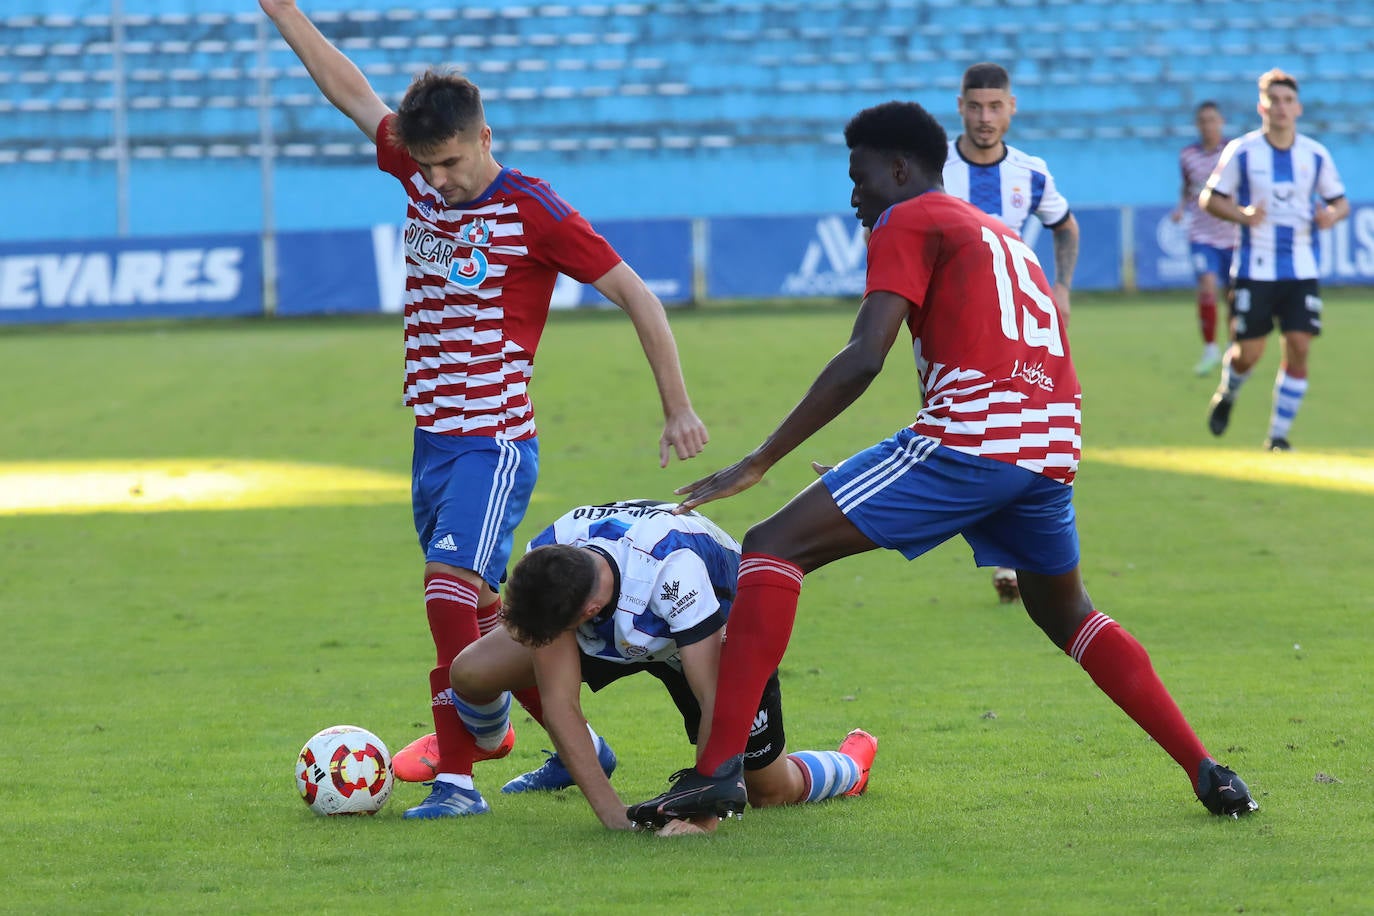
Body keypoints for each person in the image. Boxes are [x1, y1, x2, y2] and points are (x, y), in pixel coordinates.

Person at [627, 100, 1258, 832]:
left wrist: (760, 459)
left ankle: (716, 774)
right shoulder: (998, 235)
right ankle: (1207, 769)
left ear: (900, 170)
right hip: (1051, 442)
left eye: (859, 176)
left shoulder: (908, 218)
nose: (854, 195)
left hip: (972, 438)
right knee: (1067, 612)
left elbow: (865, 356)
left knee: (772, 546)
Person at [258, 0, 710, 819]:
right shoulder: (419, 171)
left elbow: (637, 294)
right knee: (490, 617)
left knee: (443, 590)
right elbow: (350, 91)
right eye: (425, 166)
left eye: (453, 164)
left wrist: (678, 406)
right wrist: (284, 12)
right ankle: (585, 752)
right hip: (432, 437)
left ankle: (460, 777)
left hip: (492, 439)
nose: (438, 181)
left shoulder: (535, 210)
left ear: (487, 137)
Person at [444, 499, 878, 831]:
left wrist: (701, 815)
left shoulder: (674, 573)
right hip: (617, 629)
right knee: (471, 673)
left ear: (589, 611)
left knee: (772, 790)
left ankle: (851, 765)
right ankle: (501, 741)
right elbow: (561, 703)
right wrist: (617, 819)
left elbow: (716, 701)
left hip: (708, 635)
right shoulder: (552, 556)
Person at [942, 62, 1080, 604]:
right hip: (953, 328)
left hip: (1022, 329)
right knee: (971, 437)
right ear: (960, 107)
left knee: (1019, 435)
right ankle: (1007, 555)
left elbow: (1064, 226)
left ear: (1011, 107)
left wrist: (1062, 287)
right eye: (975, 106)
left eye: (995, 106)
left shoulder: (1031, 172)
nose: (985, 118)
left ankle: (1011, 561)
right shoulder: (937, 171)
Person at [1201, 69, 1348, 451]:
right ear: (1261, 106)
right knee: (1249, 354)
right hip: (1255, 268)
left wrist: (1330, 216)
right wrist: (1243, 215)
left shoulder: (1314, 155)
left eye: (1287, 101)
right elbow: (1210, 198)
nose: (1281, 108)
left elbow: (1340, 201)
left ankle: (1278, 437)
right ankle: (1229, 392)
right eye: (1274, 101)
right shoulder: (1243, 151)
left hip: (1302, 269)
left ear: (1297, 108)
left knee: (1299, 345)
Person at [1170, 101, 1237, 376]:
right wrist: (1181, 207)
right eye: (1203, 120)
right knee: (1207, 286)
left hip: (1232, 234)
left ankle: (1235, 349)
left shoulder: (1234, 152)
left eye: (1213, 119)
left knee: (1233, 296)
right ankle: (1210, 348)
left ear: (1221, 122)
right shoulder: (1188, 155)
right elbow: (1187, 185)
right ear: (1198, 125)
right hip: (1201, 234)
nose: (1208, 125)